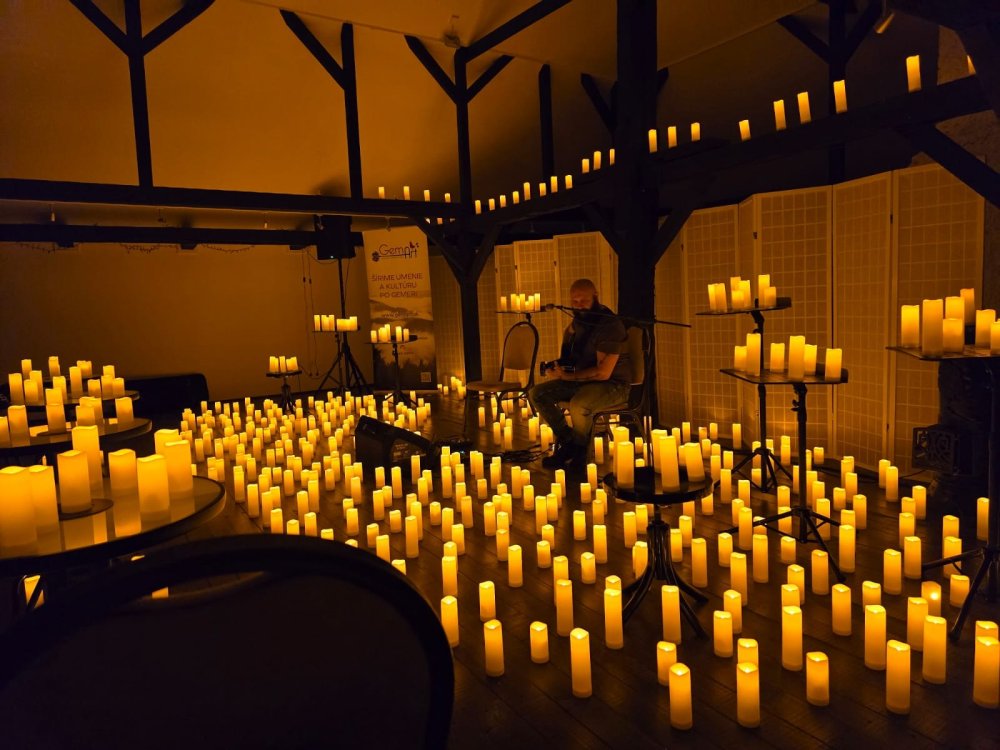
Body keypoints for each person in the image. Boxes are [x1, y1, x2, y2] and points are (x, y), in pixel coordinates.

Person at [529, 278, 631, 471]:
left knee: (579, 403)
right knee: (537, 394)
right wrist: (559, 370)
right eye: (575, 301)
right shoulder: (578, 323)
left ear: (595, 297)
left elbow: (603, 373)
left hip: (613, 385)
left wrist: (568, 377)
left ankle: (580, 452)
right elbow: (572, 358)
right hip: (584, 381)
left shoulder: (609, 325)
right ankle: (570, 443)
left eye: (584, 300)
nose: (579, 305)